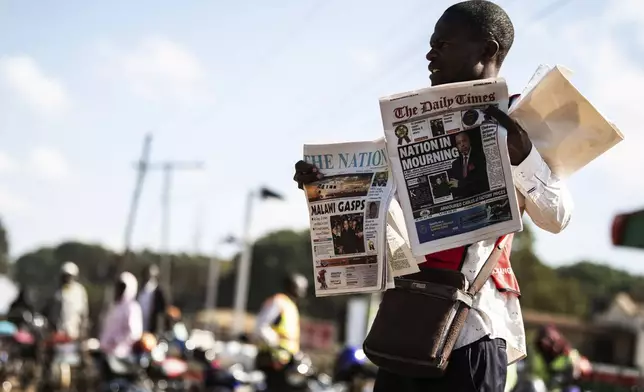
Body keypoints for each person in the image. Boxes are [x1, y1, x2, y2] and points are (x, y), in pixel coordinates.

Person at [293, 1, 573, 390]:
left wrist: (523, 157)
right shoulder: (404, 128)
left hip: (472, 328)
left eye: (442, 44)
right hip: (406, 324)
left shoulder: (522, 123)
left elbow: (558, 217)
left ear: (487, 51)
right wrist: (323, 182)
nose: (429, 53)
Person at [253, 273, 309, 392]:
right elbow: (261, 326)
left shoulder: (291, 305)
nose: (303, 289)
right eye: (301, 285)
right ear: (291, 286)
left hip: (286, 362)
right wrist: (275, 343)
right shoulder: (278, 302)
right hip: (272, 361)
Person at [533, 325, 591, 390]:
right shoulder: (537, 356)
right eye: (545, 341)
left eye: (552, 341)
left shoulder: (570, 354)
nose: (547, 343)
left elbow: (584, 368)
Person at [99, 271, 143, 358]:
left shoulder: (132, 308)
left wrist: (116, 341)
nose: (119, 290)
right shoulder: (113, 306)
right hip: (107, 352)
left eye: (122, 287)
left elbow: (134, 333)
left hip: (122, 354)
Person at [44, 261, 89, 341]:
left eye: (69, 276)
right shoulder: (57, 292)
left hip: (74, 333)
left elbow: (84, 313)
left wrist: (83, 331)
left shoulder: (79, 291)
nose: (67, 278)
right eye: (65, 276)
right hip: (58, 333)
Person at [449, 131, 490, 198]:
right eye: (459, 143)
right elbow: (454, 188)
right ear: (457, 147)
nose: (462, 144)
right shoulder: (455, 164)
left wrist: (460, 183)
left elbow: (480, 181)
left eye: (464, 141)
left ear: (469, 141)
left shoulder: (480, 157)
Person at [137, 264, 168, 335]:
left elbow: (162, 312)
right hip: (139, 327)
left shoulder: (159, 292)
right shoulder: (140, 290)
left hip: (152, 329)